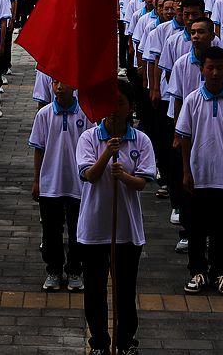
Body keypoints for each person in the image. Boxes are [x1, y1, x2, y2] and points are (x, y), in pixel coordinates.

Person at [77, 81, 156, 355]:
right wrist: (106, 154)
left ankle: (125, 342)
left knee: (125, 291)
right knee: (95, 290)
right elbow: (89, 176)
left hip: (127, 229)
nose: (114, 109)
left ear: (130, 107)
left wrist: (123, 176)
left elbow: (142, 182)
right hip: (94, 228)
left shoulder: (141, 140)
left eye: (120, 103)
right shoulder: (89, 138)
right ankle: (99, 342)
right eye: (109, 103)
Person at [177, 46, 223, 296]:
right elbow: (185, 137)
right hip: (198, 175)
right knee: (196, 228)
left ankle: (221, 272)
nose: (215, 73)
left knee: (222, 229)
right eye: (210, 68)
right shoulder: (192, 100)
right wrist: (186, 171)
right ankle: (197, 270)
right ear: (202, 70)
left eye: (220, 68)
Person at [28, 79, 90, 292]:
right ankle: (53, 269)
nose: (59, 87)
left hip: (78, 183)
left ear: (75, 86)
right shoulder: (44, 114)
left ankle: (75, 269)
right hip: (50, 183)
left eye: (64, 83)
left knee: (77, 230)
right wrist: (37, 180)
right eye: (55, 83)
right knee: (51, 230)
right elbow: (38, 148)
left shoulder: (85, 114)